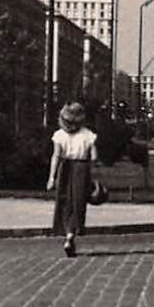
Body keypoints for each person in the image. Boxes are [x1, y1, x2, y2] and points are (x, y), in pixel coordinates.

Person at [47, 102, 97, 258]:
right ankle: (71, 235)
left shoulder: (59, 135)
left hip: (65, 168)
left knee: (64, 201)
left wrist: (51, 177)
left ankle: (66, 231)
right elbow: (94, 157)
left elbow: (55, 156)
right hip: (81, 169)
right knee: (78, 202)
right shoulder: (88, 135)